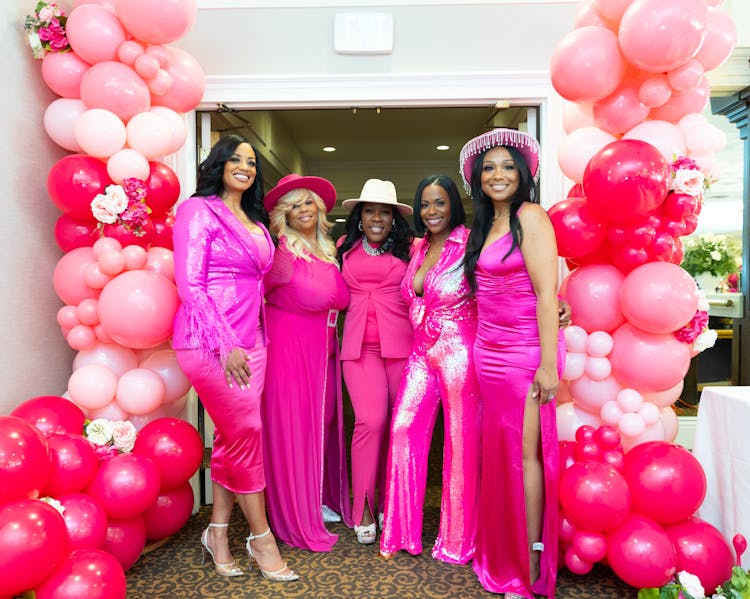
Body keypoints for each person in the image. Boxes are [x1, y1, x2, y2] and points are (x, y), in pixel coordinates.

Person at [172, 134, 298, 582]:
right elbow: (190, 285)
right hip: (210, 344)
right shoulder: (196, 210)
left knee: (232, 439)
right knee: (247, 433)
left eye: (251, 161)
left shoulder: (255, 219)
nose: (244, 166)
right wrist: (226, 345)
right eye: (236, 159)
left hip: (253, 343)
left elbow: (262, 281)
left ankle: (218, 532)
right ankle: (261, 538)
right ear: (218, 164)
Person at [461, 128, 564, 598]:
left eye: (506, 167)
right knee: (498, 454)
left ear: (522, 175)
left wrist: (547, 364)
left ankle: (527, 564)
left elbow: (547, 295)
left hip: (526, 353)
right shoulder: (485, 226)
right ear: (478, 179)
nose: (497, 174)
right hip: (488, 351)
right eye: (489, 168)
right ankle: (499, 549)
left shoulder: (533, 217)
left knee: (525, 457)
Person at [379, 174, 481, 564]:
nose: (431, 211)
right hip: (421, 350)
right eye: (424, 204)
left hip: (460, 351)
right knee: (403, 428)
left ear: (453, 204)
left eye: (439, 202)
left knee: (460, 443)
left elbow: (507, 280)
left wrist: (553, 303)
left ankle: (457, 541)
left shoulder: (472, 241)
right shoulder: (418, 247)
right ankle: (401, 533)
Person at [261, 173, 352, 552]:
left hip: (324, 351)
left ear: (319, 208)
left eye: (308, 202)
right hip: (289, 350)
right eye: (294, 204)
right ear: (284, 213)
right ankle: (295, 509)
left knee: (324, 423)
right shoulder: (280, 254)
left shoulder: (328, 250)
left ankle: (315, 495)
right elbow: (254, 300)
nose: (303, 210)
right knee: (294, 428)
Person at [337, 179, 415, 545]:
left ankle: (392, 503)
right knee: (370, 421)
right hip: (357, 350)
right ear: (360, 216)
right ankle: (364, 507)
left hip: (401, 348)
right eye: (370, 211)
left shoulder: (412, 249)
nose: (377, 218)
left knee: (399, 428)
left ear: (394, 218)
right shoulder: (342, 248)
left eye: (385, 212)